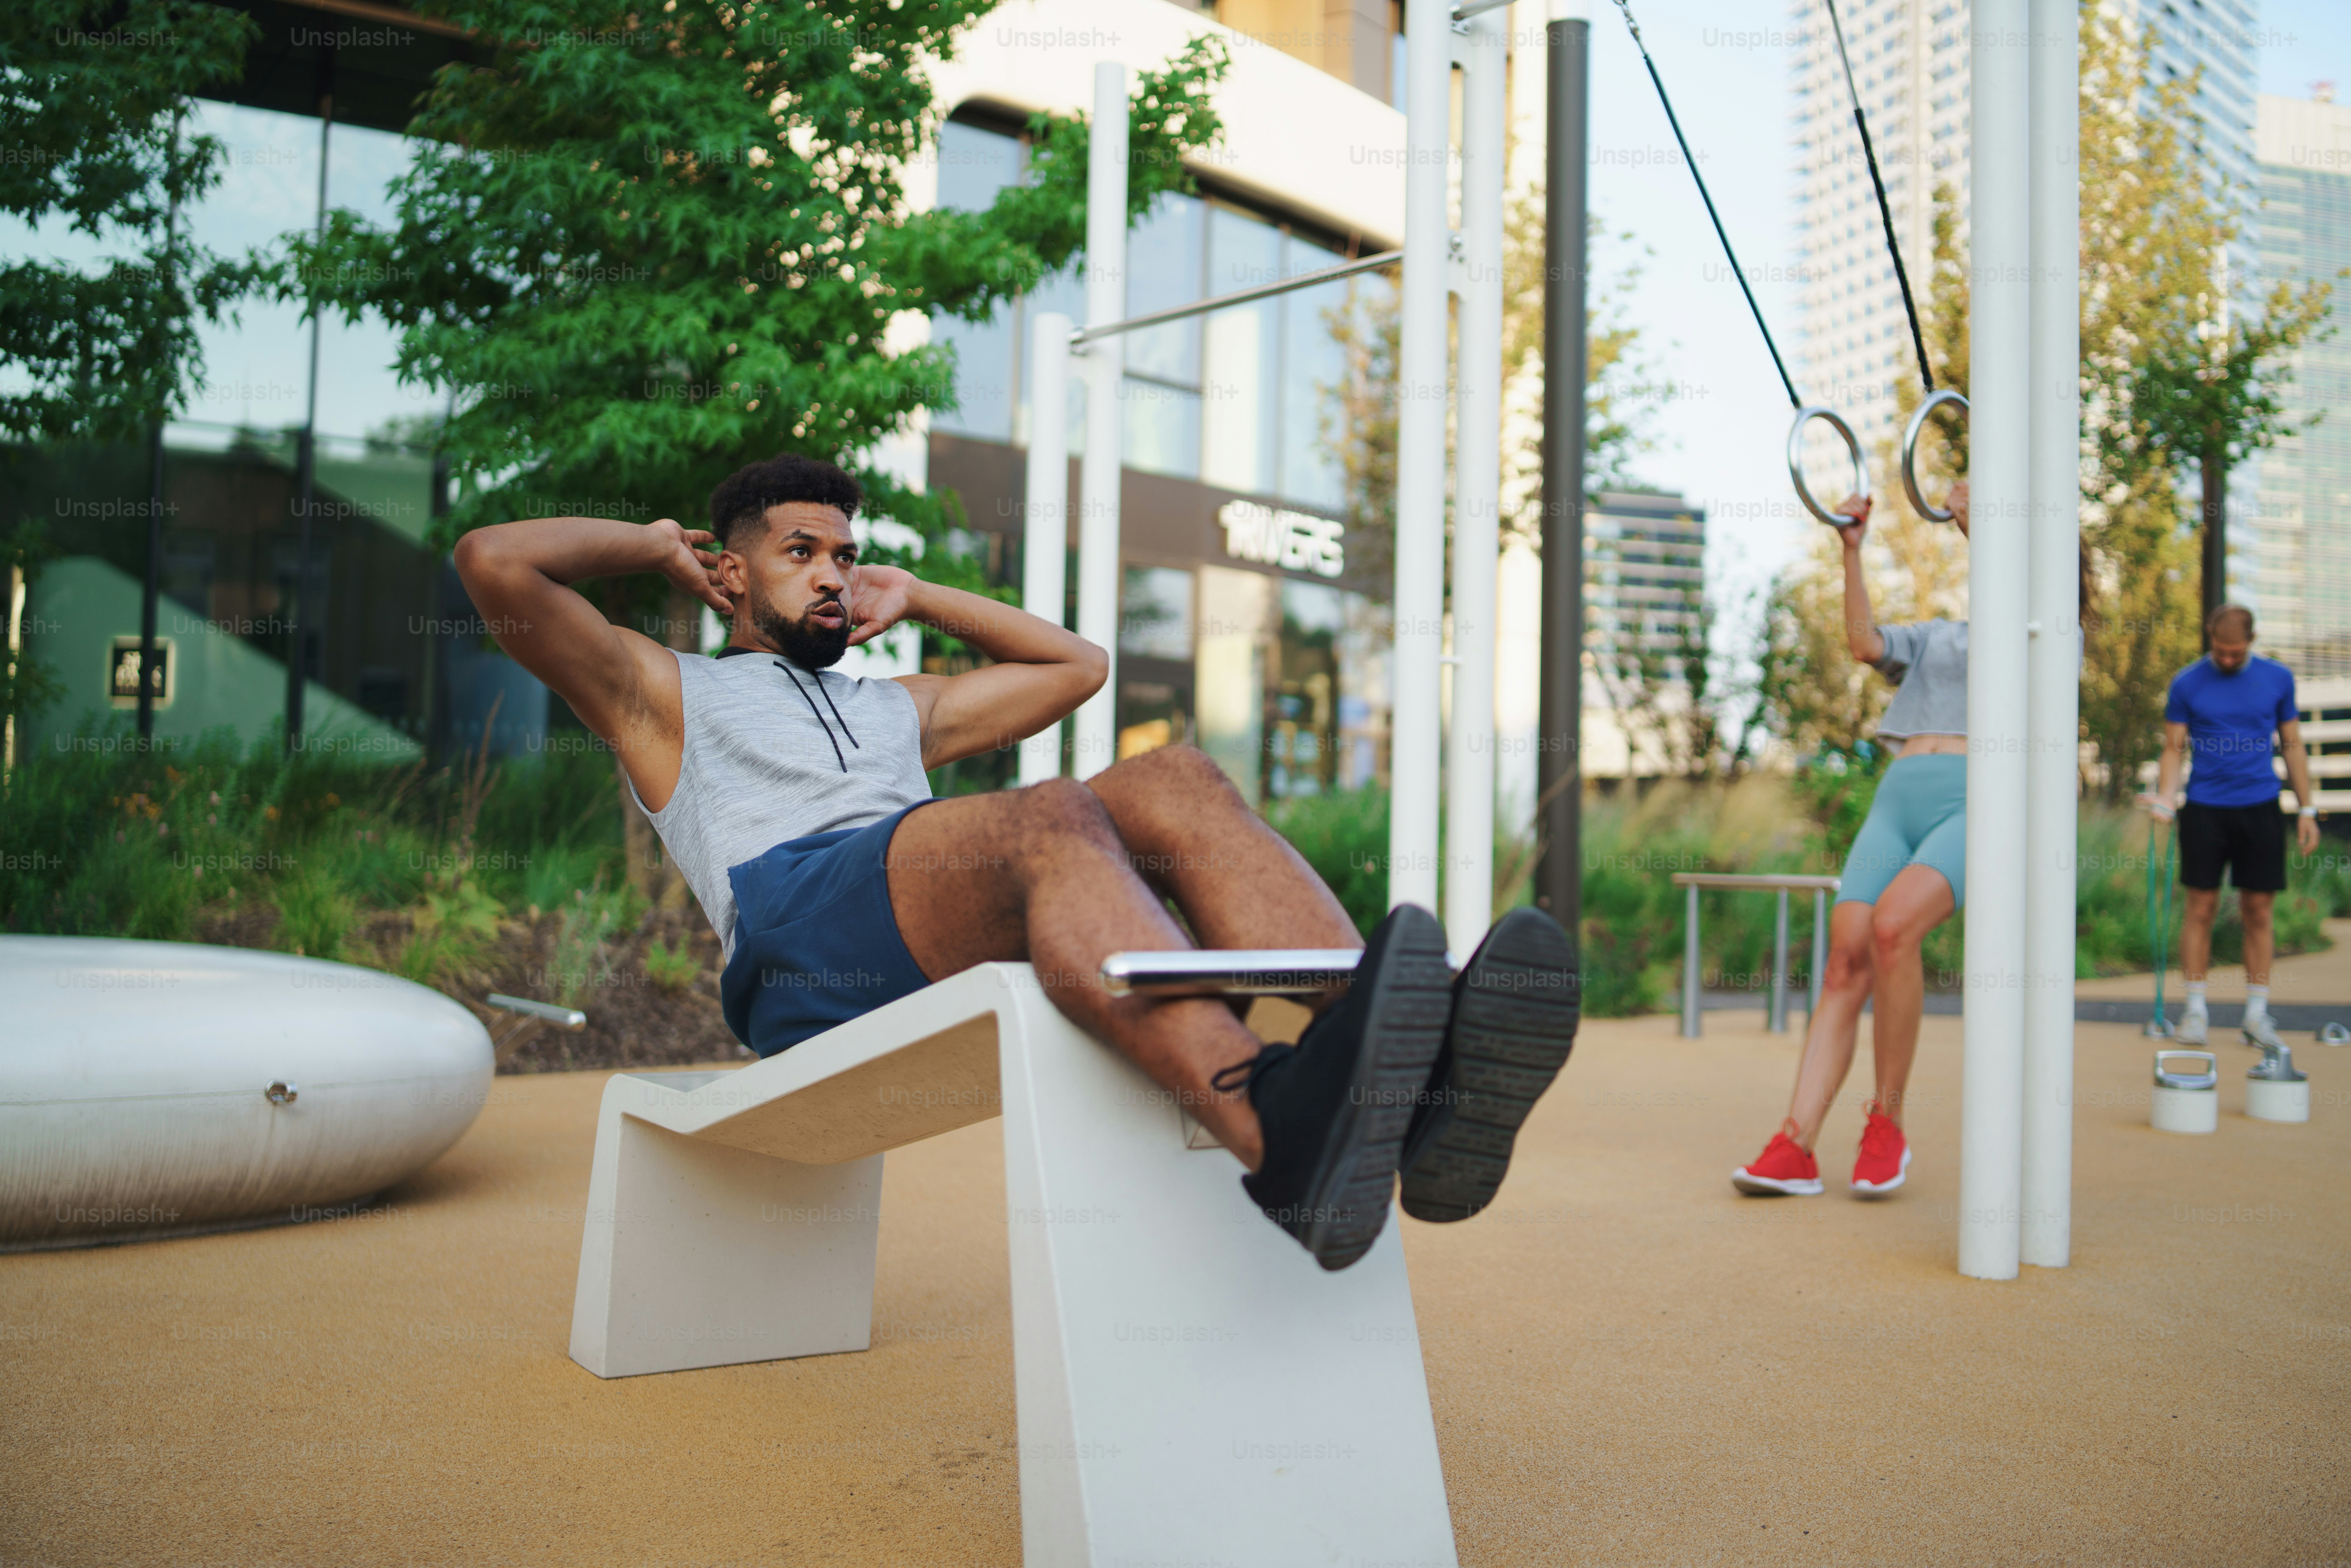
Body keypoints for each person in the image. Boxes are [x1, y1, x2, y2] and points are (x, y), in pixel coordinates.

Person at [454, 453, 1579, 1272]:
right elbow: (493, 561)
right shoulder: (660, 690)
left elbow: (1077, 665)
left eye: (846, 556)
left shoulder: (901, 705)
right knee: (1048, 817)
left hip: (915, 899)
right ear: (733, 575)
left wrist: (923, 593)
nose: (834, 575)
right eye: (801, 554)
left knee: (1174, 778)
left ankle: (1403, 1068)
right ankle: (1276, 1135)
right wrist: (648, 547)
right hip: (798, 936)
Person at [1732, 485, 1972, 1199]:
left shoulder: (2040, 633)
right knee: (1843, 962)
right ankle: (1796, 1146)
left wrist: (1979, 521)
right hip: (1899, 799)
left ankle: (1885, 1124)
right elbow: (1864, 642)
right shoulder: (1934, 637)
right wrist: (1851, 550)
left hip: (1973, 800)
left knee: (1895, 929)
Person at [2143, 605, 2322, 1051]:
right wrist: (2167, 797)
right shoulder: (2187, 682)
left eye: (2235, 652)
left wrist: (2307, 810)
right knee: (2199, 910)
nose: (2226, 659)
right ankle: (2196, 1014)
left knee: (2258, 913)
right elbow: (2173, 748)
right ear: (2209, 639)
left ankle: (2257, 1016)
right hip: (2205, 808)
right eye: (2220, 652)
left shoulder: (2278, 679)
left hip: (2260, 807)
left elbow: (2293, 745)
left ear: (2252, 641)